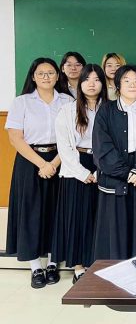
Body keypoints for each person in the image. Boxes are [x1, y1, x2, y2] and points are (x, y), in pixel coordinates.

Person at [5, 57, 72, 288]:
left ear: (58, 76)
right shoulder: (22, 102)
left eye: (50, 73)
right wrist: (42, 164)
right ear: (33, 77)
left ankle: (53, 263)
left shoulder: (67, 101)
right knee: (30, 212)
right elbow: (15, 138)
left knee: (57, 211)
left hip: (61, 159)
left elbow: (73, 136)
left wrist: (54, 163)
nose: (46, 77)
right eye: (41, 73)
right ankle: (35, 267)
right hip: (29, 161)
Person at [92, 65, 136, 260]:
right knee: (116, 230)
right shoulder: (106, 111)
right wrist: (127, 173)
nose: (133, 85)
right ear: (118, 85)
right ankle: (115, 272)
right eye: (127, 81)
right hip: (115, 177)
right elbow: (102, 147)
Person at [52, 64, 108, 283]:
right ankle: (79, 267)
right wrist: (83, 173)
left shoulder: (111, 109)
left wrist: (101, 170)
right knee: (79, 219)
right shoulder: (67, 110)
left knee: (100, 219)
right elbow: (64, 147)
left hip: (105, 165)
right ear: (80, 83)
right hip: (76, 168)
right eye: (87, 79)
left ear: (103, 83)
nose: (92, 84)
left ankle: (99, 264)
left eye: (97, 79)